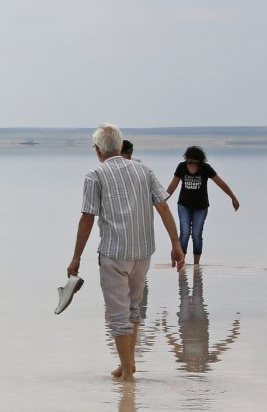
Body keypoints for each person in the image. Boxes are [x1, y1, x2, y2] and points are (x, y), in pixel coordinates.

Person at [64, 123, 184, 382]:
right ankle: (127, 363)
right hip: (143, 252)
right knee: (133, 308)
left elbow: (87, 217)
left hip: (114, 253)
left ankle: (128, 372)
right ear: (120, 146)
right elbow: (162, 206)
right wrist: (176, 244)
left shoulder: (94, 175)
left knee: (118, 313)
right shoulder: (144, 169)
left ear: (97, 150)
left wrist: (76, 257)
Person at [164, 146, 242, 266]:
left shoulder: (205, 167)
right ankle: (181, 261)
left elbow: (220, 182)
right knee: (184, 232)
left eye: (194, 161)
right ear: (187, 158)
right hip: (184, 205)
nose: (191, 163)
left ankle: (196, 264)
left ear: (199, 160)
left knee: (196, 233)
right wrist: (162, 201)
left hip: (201, 206)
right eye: (189, 160)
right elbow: (172, 186)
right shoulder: (182, 167)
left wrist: (233, 197)